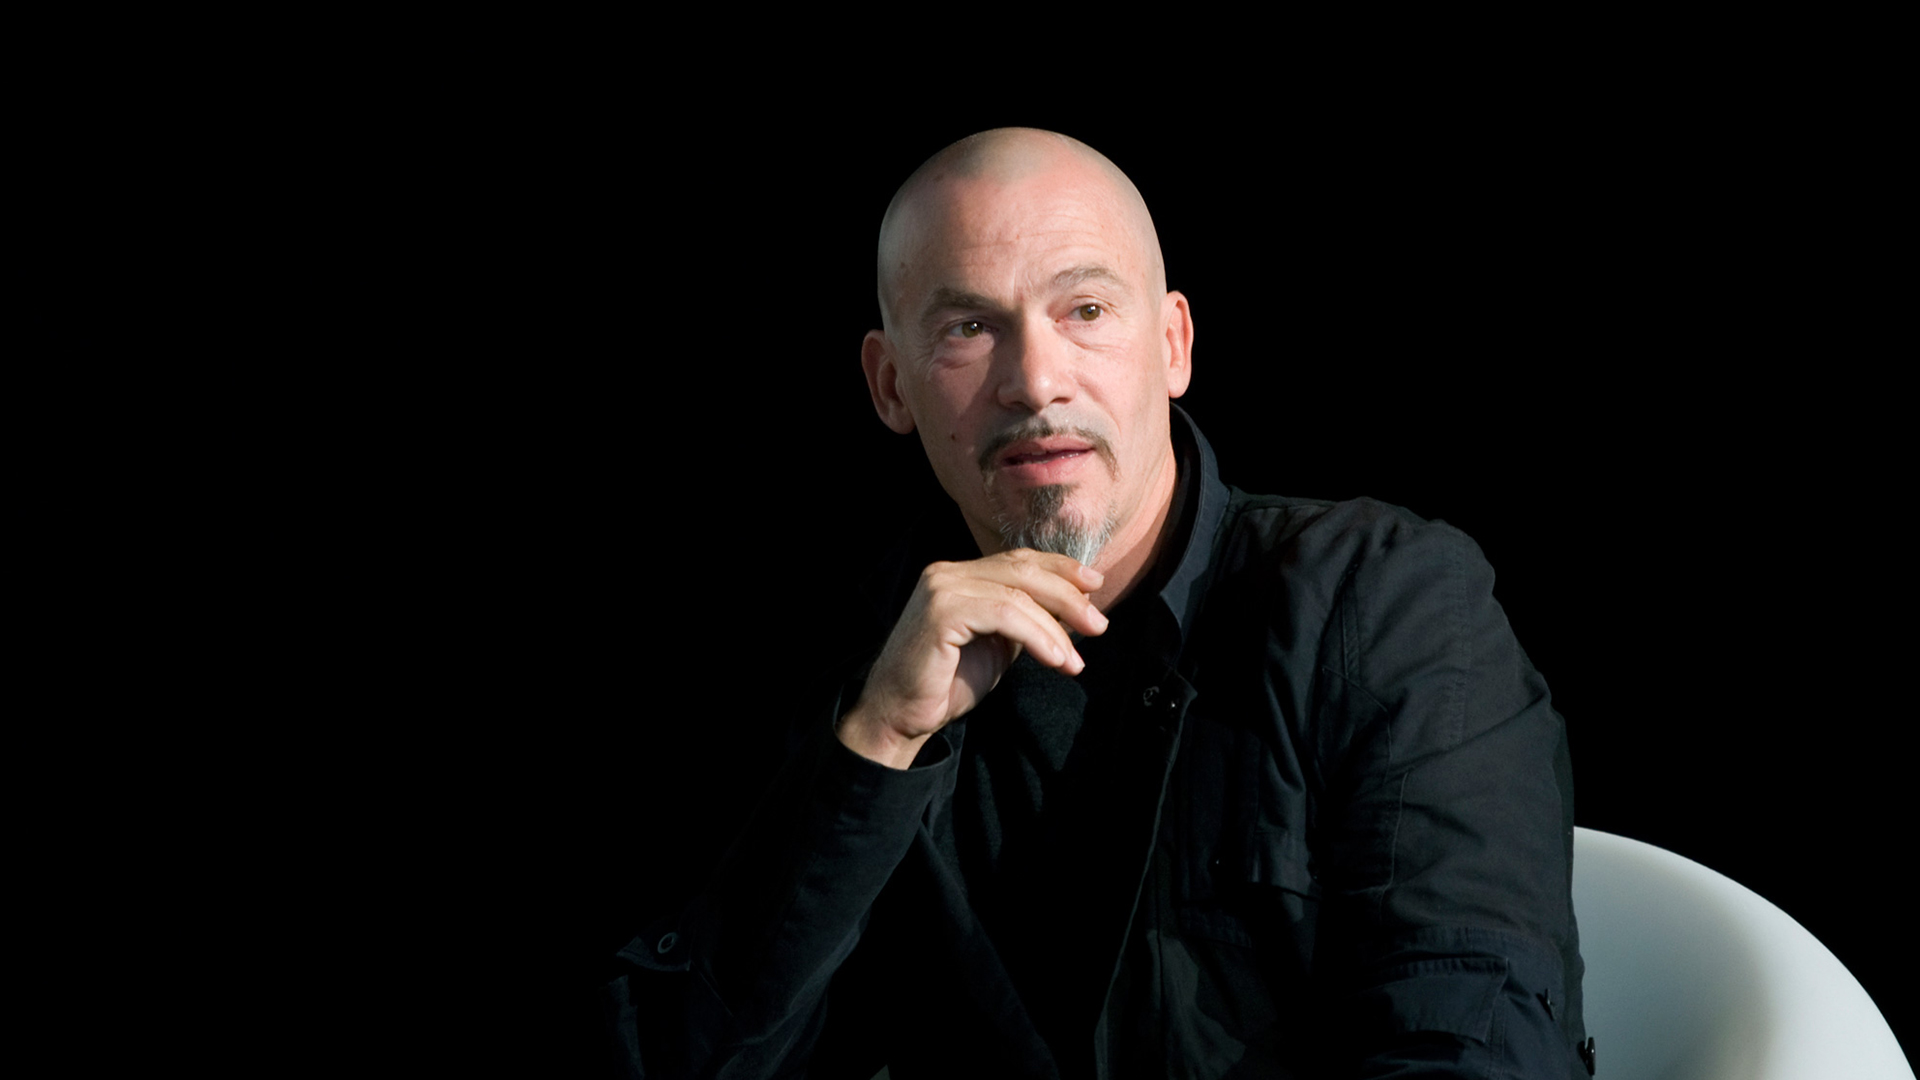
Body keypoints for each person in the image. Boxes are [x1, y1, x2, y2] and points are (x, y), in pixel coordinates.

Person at [608, 128, 1592, 1079]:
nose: (1036, 382)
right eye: (969, 328)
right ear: (890, 384)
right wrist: (877, 745)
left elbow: (1474, 1041)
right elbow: (677, 1055)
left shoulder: (1384, 604)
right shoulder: (850, 667)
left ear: (1172, 345)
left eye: (1084, 310)